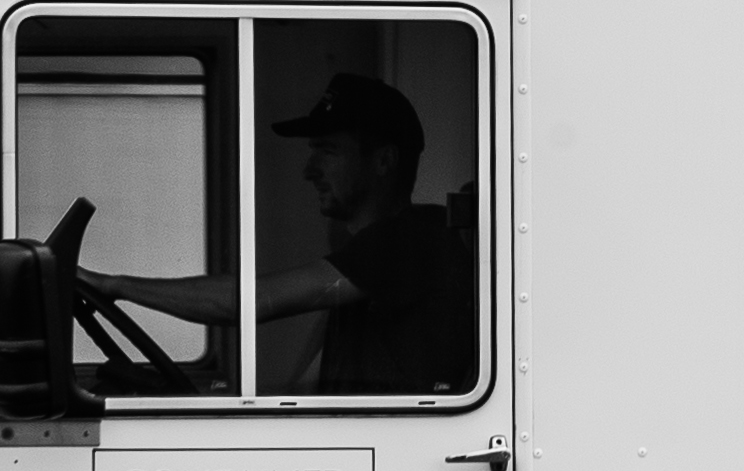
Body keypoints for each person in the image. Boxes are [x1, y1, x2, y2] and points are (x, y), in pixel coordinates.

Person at [84, 72, 475, 395]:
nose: (309, 170)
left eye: (328, 151)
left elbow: (253, 302)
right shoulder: (365, 267)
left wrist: (114, 285)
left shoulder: (412, 238)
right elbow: (307, 388)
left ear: (384, 160)